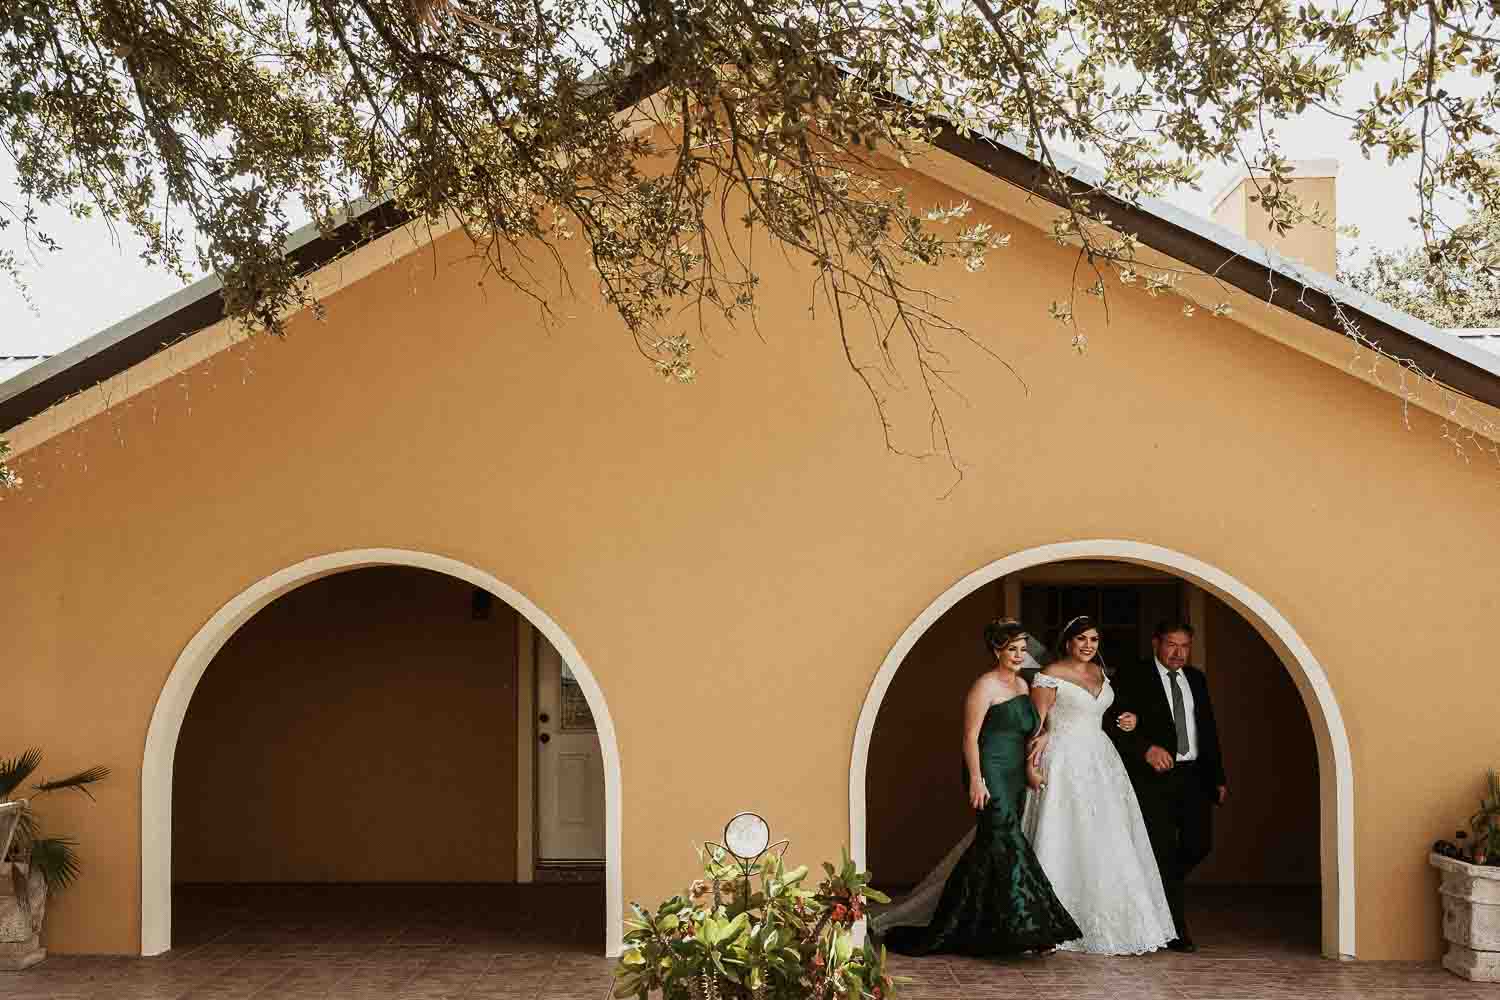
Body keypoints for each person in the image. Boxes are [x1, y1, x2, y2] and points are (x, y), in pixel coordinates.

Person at [875, 619, 1081, 957]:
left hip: (1015, 775)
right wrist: (976, 779)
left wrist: (1042, 739)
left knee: (989, 850)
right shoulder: (984, 686)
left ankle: (973, 926)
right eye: (1011, 649)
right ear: (996, 651)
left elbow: (1032, 727)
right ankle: (1029, 927)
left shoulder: (1023, 686)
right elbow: (970, 737)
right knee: (1009, 841)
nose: (1018, 655)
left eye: (1022, 649)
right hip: (990, 771)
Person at [1021, 615, 1177, 955]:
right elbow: (1036, 724)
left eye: (1093, 639)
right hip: (1064, 758)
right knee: (1065, 829)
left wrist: (1128, 719)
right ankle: (1049, 921)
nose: (1088, 645)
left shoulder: (1100, 673)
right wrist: (1034, 761)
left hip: (1101, 758)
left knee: (1107, 834)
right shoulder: (1050, 675)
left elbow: (1103, 713)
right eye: (1081, 639)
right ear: (1068, 642)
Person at [1105, 620, 1226, 953]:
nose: (1178, 653)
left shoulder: (1196, 679)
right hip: (1153, 779)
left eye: (1185, 646)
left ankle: (1156, 883)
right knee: (1160, 849)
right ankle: (1175, 931)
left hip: (1194, 776)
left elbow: (1208, 729)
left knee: (1198, 845)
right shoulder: (1133, 675)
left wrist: (1218, 776)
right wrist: (1145, 748)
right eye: (1172, 645)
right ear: (1157, 643)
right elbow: (1111, 722)